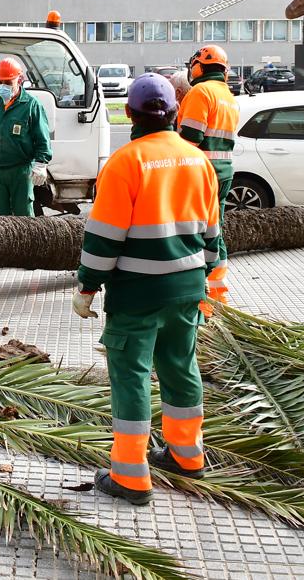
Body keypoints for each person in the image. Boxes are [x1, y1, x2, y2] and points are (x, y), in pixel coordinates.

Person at [73, 73, 220, 505]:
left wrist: (87, 285)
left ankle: (131, 477)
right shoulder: (199, 160)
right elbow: (213, 234)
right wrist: (204, 279)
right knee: (180, 368)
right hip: (187, 287)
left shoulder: (126, 162)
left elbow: (104, 237)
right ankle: (186, 454)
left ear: (128, 114)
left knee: (133, 375)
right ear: (176, 111)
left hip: (138, 292)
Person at [176, 45, 239, 315]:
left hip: (201, 173)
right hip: (224, 171)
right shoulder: (228, 96)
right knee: (215, 231)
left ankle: (198, 295)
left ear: (200, 66)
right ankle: (217, 293)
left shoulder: (201, 92)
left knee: (195, 233)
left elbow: (189, 139)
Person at [0, 56, 52, 216]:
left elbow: (42, 138)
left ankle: (27, 242)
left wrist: (41, 164)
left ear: (19, 80)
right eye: (0, 83)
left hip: (20, 171)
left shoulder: (31, 106)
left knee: (24, 218)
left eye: (8, 83)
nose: (3, 87)